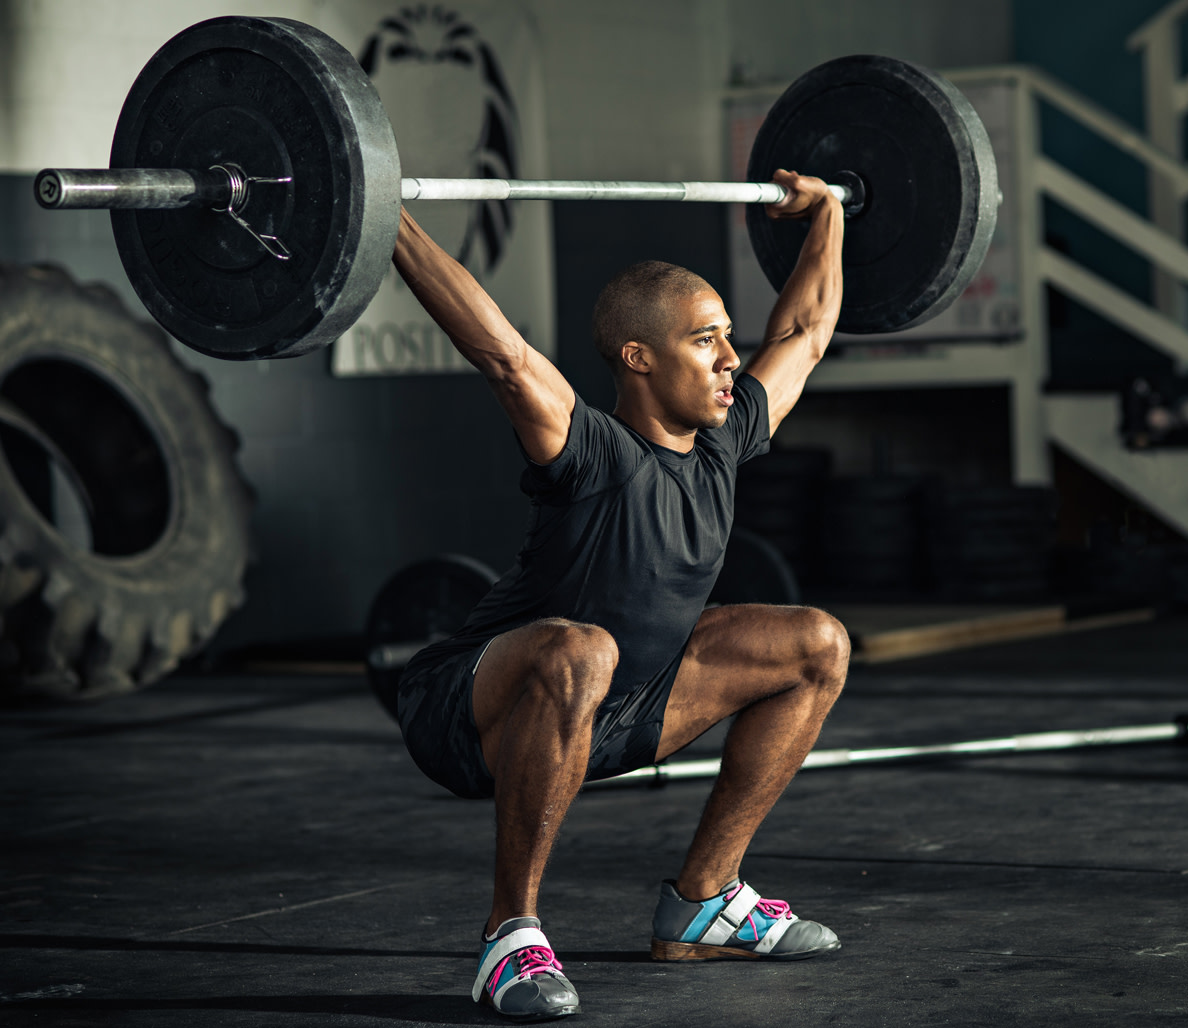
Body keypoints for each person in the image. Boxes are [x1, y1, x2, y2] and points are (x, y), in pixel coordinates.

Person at [391, 168, 849, 1021]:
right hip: (469, 711)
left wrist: (826, 212)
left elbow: (807, 330)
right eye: (705, 341)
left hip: (618, 711)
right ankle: (509, 935)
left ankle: (706, 902)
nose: (730, 359)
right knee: (582, 648)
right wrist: (385, 217)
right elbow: (501, 354)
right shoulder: (591, 450)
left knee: (817, 643)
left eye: (728, 337)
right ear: (639, 357)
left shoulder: (724, 439)